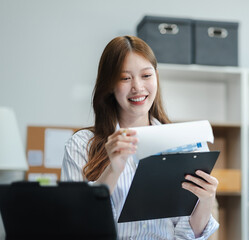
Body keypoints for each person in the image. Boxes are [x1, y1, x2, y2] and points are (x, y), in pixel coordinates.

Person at [61, 35, 219, 240]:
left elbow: (188, 234)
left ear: (156, 77)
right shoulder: (81, 144)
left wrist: (206, 200)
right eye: (125, 78)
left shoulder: (184, 142)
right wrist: (113, 169)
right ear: (109, 85)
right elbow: (75, 223)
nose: (137, 87)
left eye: (146, 75)